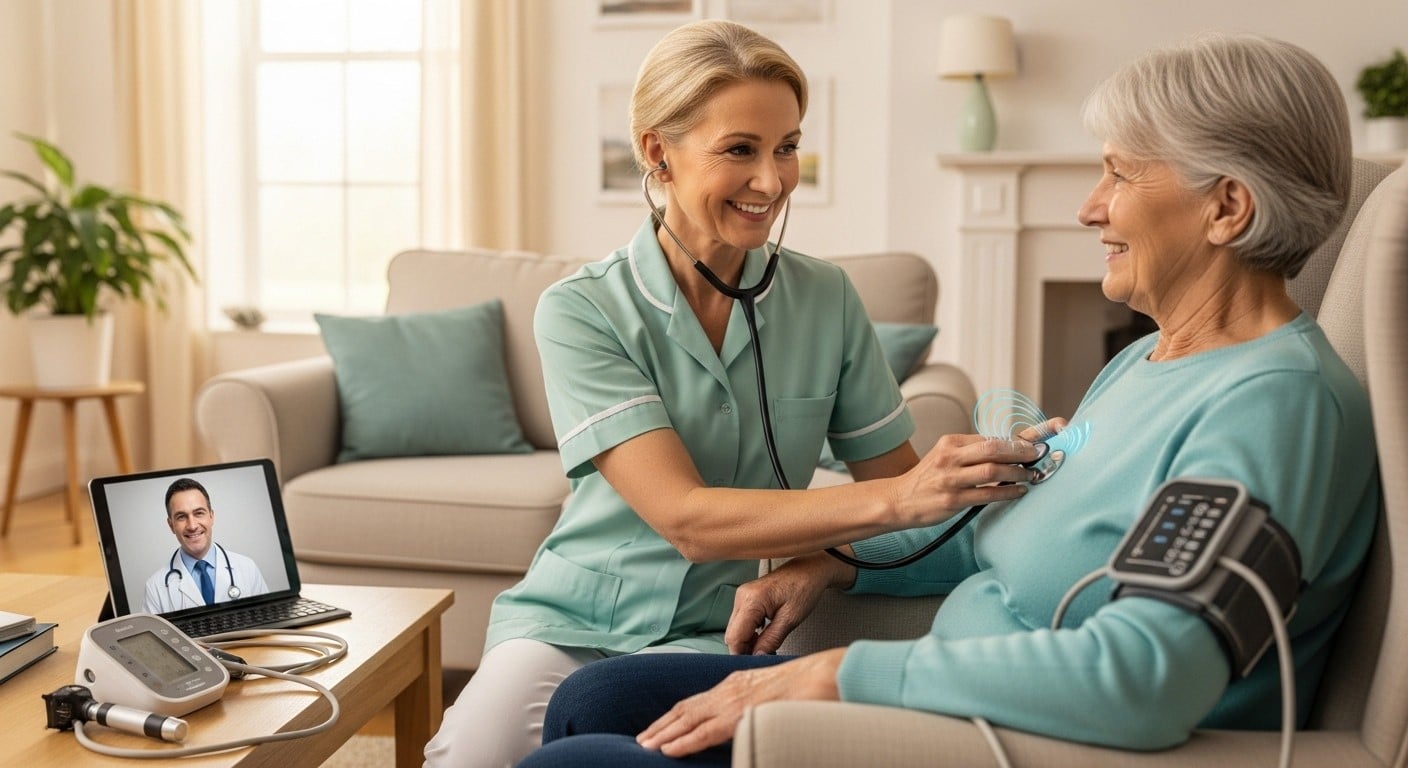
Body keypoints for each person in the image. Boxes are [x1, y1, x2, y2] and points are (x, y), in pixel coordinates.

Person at [516, 32, 1381, 767]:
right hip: (951, 682)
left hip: (1014, 736)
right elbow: (996, 526)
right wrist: (840, 561)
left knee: (576, 757)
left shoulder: (1273, 408)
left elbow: (1147, 676)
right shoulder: (1149, 361)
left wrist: (837, 675)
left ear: (1227, 207)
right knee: (599, 697)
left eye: (1118, 174)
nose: (1090, 207)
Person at [423, 19, 1042, 768]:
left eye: (786, 147)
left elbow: (919, 520)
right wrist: (906, 496)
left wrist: (826, 561)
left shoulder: (827, 299)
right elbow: (688, 518)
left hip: (722, 635)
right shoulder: (582, 308)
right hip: (569, 624)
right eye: (739, 150)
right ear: (657, 152)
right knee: (469, 761)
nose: (773, 181)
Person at [142, 477, 270, 614]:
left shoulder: (247, 568)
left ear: (211, 516)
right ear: (171, 525)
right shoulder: (155, 588)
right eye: (181, 517)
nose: (192, 526)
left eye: (198, 513)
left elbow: (268, 623)